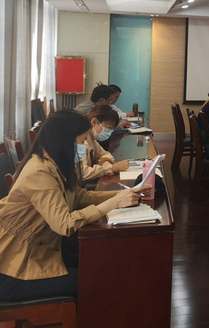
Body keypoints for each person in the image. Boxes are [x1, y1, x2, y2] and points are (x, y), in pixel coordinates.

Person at [0, 109, 148, 301]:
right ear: (64, 140)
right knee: (95, 279)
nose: (84, 146)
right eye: (81, 141)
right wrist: (113, 203)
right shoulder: (39, 172)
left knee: (103, 261)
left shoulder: (55, 163)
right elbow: (64, 224)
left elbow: (78, 197)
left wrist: (122, 195)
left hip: (43, 250)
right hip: (14, 267)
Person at [81, 105, 130, 181]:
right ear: (94, 122)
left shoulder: (92, 139)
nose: (109, 132)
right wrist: (111, 168)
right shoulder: (81, 141)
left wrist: (106, 164)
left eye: (112, 129)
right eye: (108, 128)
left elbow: (104, 154)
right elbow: (83, 173)